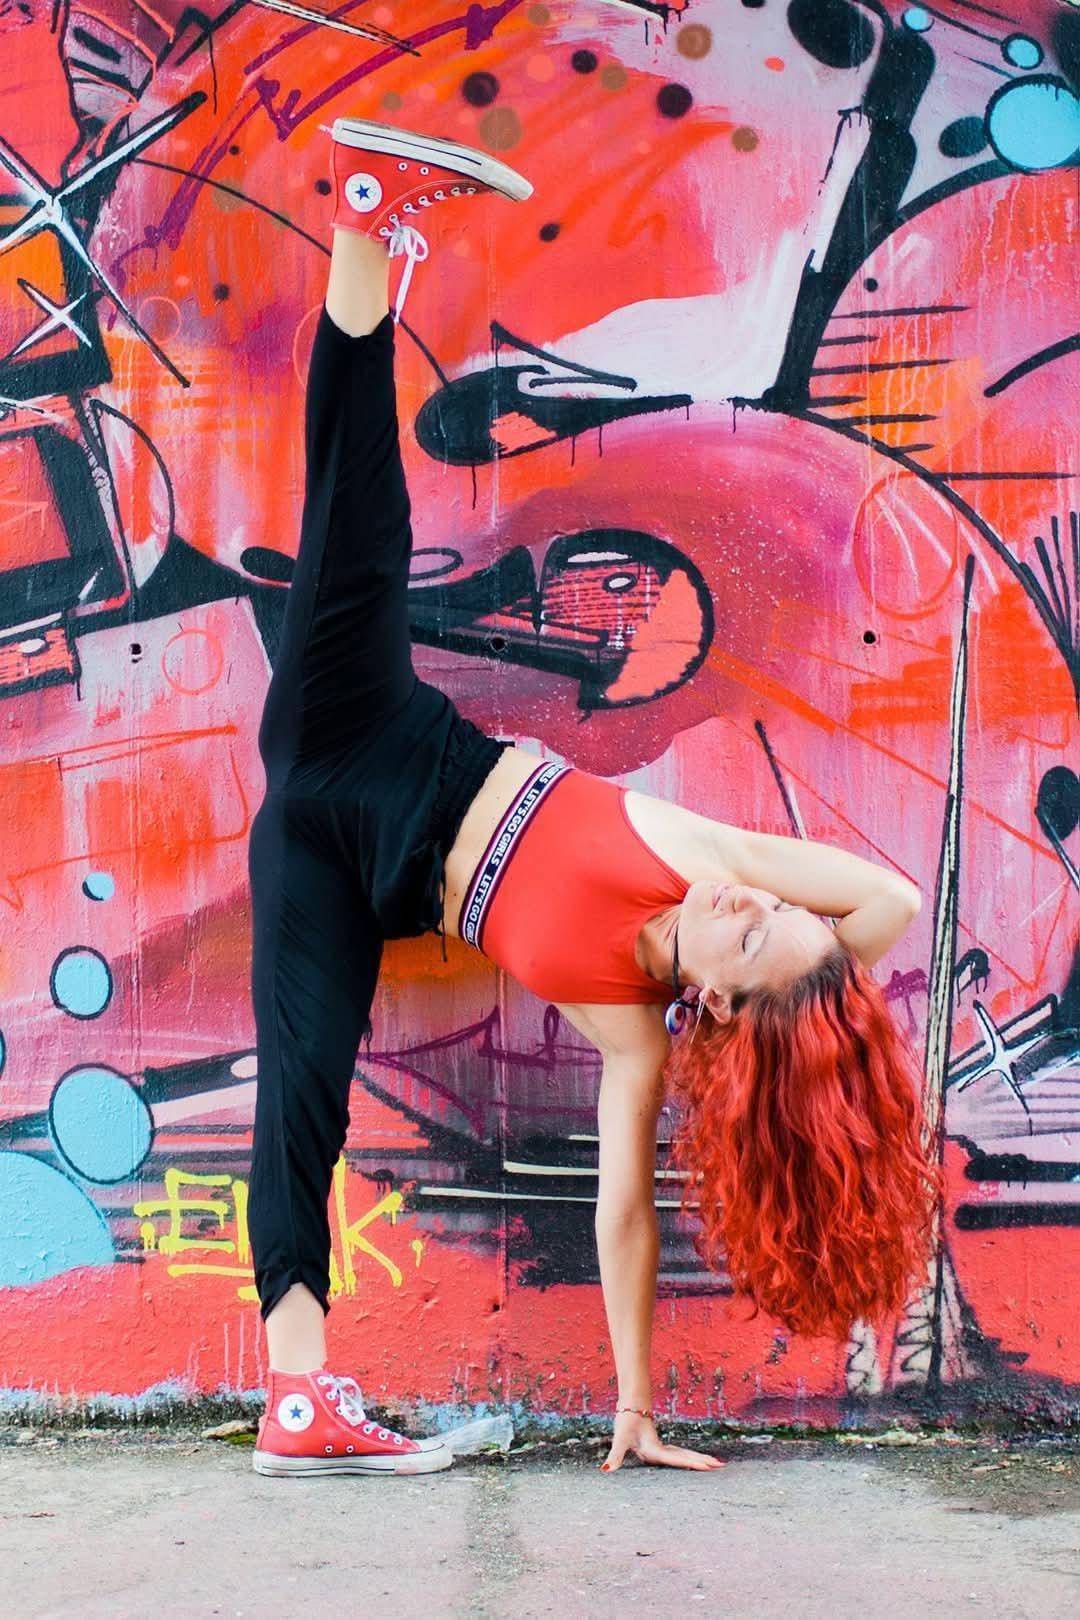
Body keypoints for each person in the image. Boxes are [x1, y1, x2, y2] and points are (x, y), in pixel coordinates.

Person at [247, 119, 939, 1479]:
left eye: (752, 931)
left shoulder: (633, 1037)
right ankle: (367, 222)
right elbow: (891, 900)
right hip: (370, 730)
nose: (747, 897)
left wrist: (634, 1410)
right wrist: (818, 992)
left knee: (300, 1094)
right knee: (357, 524)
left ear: (719, 1006)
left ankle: (297, 1399)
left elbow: (626, 1219)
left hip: (335, 866)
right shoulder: (698, 854)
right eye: (770, 906)